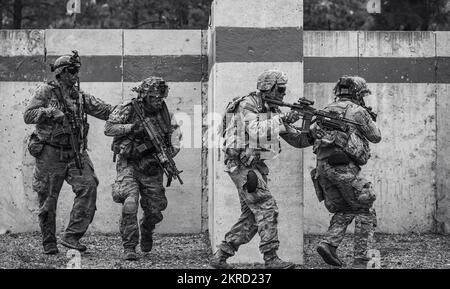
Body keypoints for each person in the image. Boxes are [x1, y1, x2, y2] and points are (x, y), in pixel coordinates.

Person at [210, 69, 315, 269]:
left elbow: (297, 139)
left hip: (255, 166)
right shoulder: (248, 104)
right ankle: (271, 258)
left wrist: (314, 130)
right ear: (269, 87)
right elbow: (255, 130)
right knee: (267, 207)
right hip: (241, 165)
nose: (283, 94)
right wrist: (284, 120)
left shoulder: (273, 111)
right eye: (281, 89)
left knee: (252, 217)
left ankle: (221, 256)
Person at [24, 51, 114, 254]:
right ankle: (49, 242)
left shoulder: (79, 95)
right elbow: (28, 115)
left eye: (77, 71)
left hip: (75, 153)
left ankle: (71, 236)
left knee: (89, 186)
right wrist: (49, 113)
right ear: (62, 72)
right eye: (72, 71)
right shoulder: (46, 92)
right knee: (47, 200)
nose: (76, 75)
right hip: (50, 153)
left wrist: (127, 110)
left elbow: (104, 110)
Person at [104, 77, 182, 261]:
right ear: (145, 95)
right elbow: (109, 128)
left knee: (155, 210)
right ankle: (129, 246)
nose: (158, 101)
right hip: (128, 162)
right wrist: (132, 128)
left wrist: (166, 155)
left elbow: (176, 140)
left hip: (152, 166)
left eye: (161, 97)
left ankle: (147, 229)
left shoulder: (165, 114)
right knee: (130, 202)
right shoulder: (128, 108)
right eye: (155, 97)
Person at [309, 75, 381, 269]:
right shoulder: (358, 111)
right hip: (343, 169)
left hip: (322, 170)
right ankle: (362, 261)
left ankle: (329, 244)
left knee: (346, 208)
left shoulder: (324, 109)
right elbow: (375, 136)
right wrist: (368, 116)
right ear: (357, 93)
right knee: (365, 209)